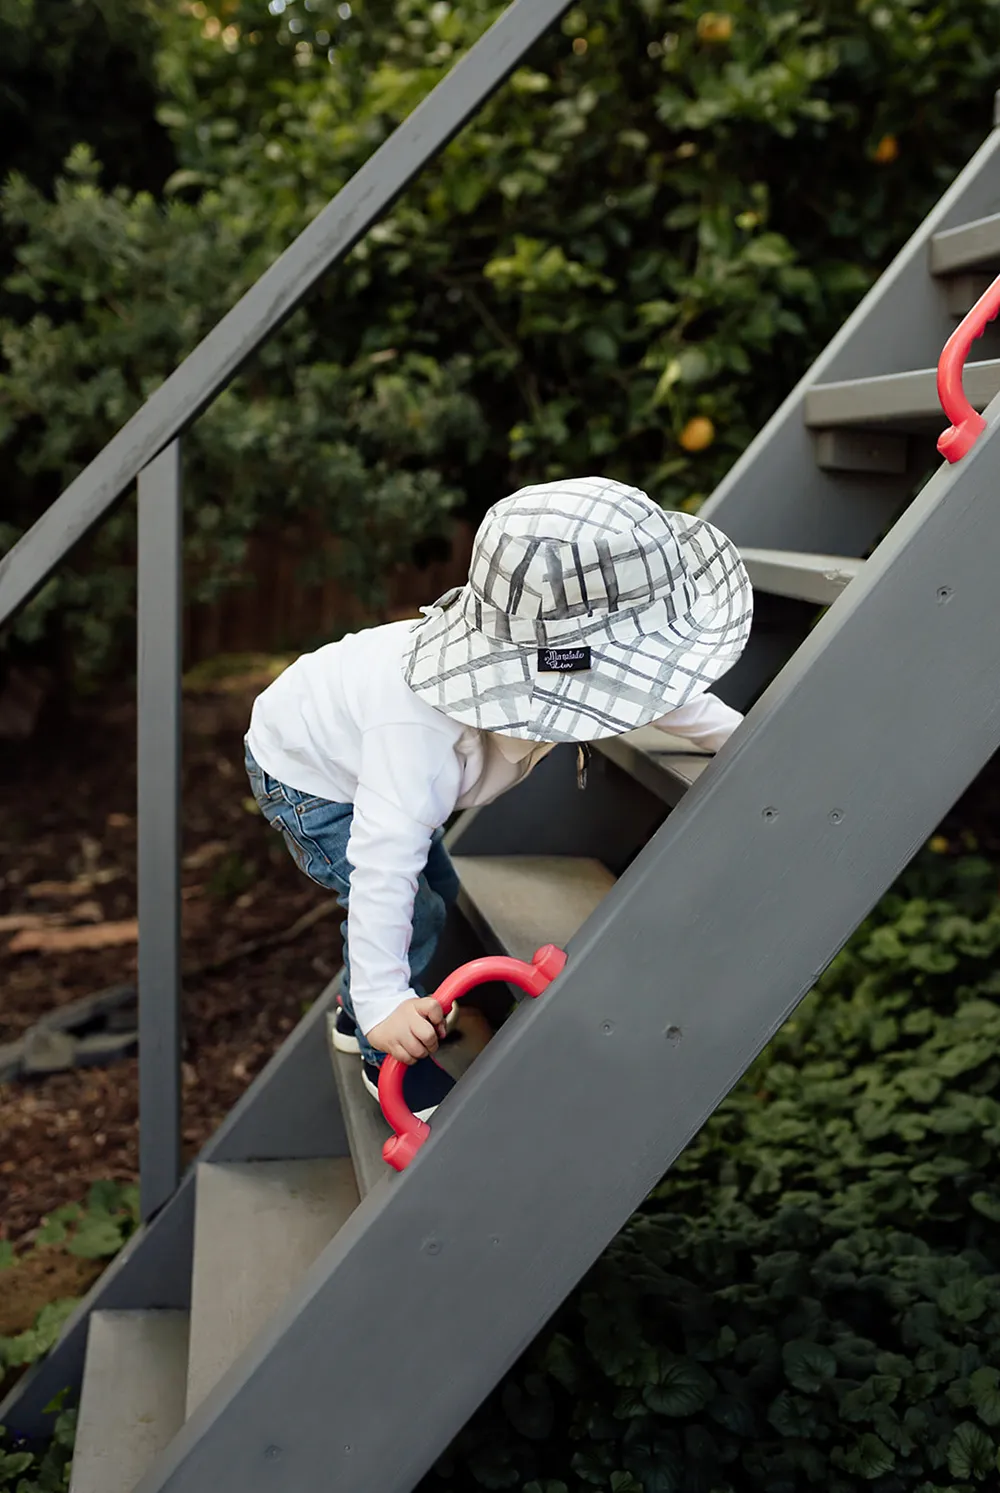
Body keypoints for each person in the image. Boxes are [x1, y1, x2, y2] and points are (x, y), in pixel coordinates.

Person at [244, 476, 753, 1119]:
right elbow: (382, 862)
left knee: (440, 888)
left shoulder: (561, 664)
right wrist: (383, 1002)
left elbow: (656, 689)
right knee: (420, 905)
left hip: (362, 738)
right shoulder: (418, 735)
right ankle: (378, 1049)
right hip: (307, 769)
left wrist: (738, 736)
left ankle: (354, 1008)